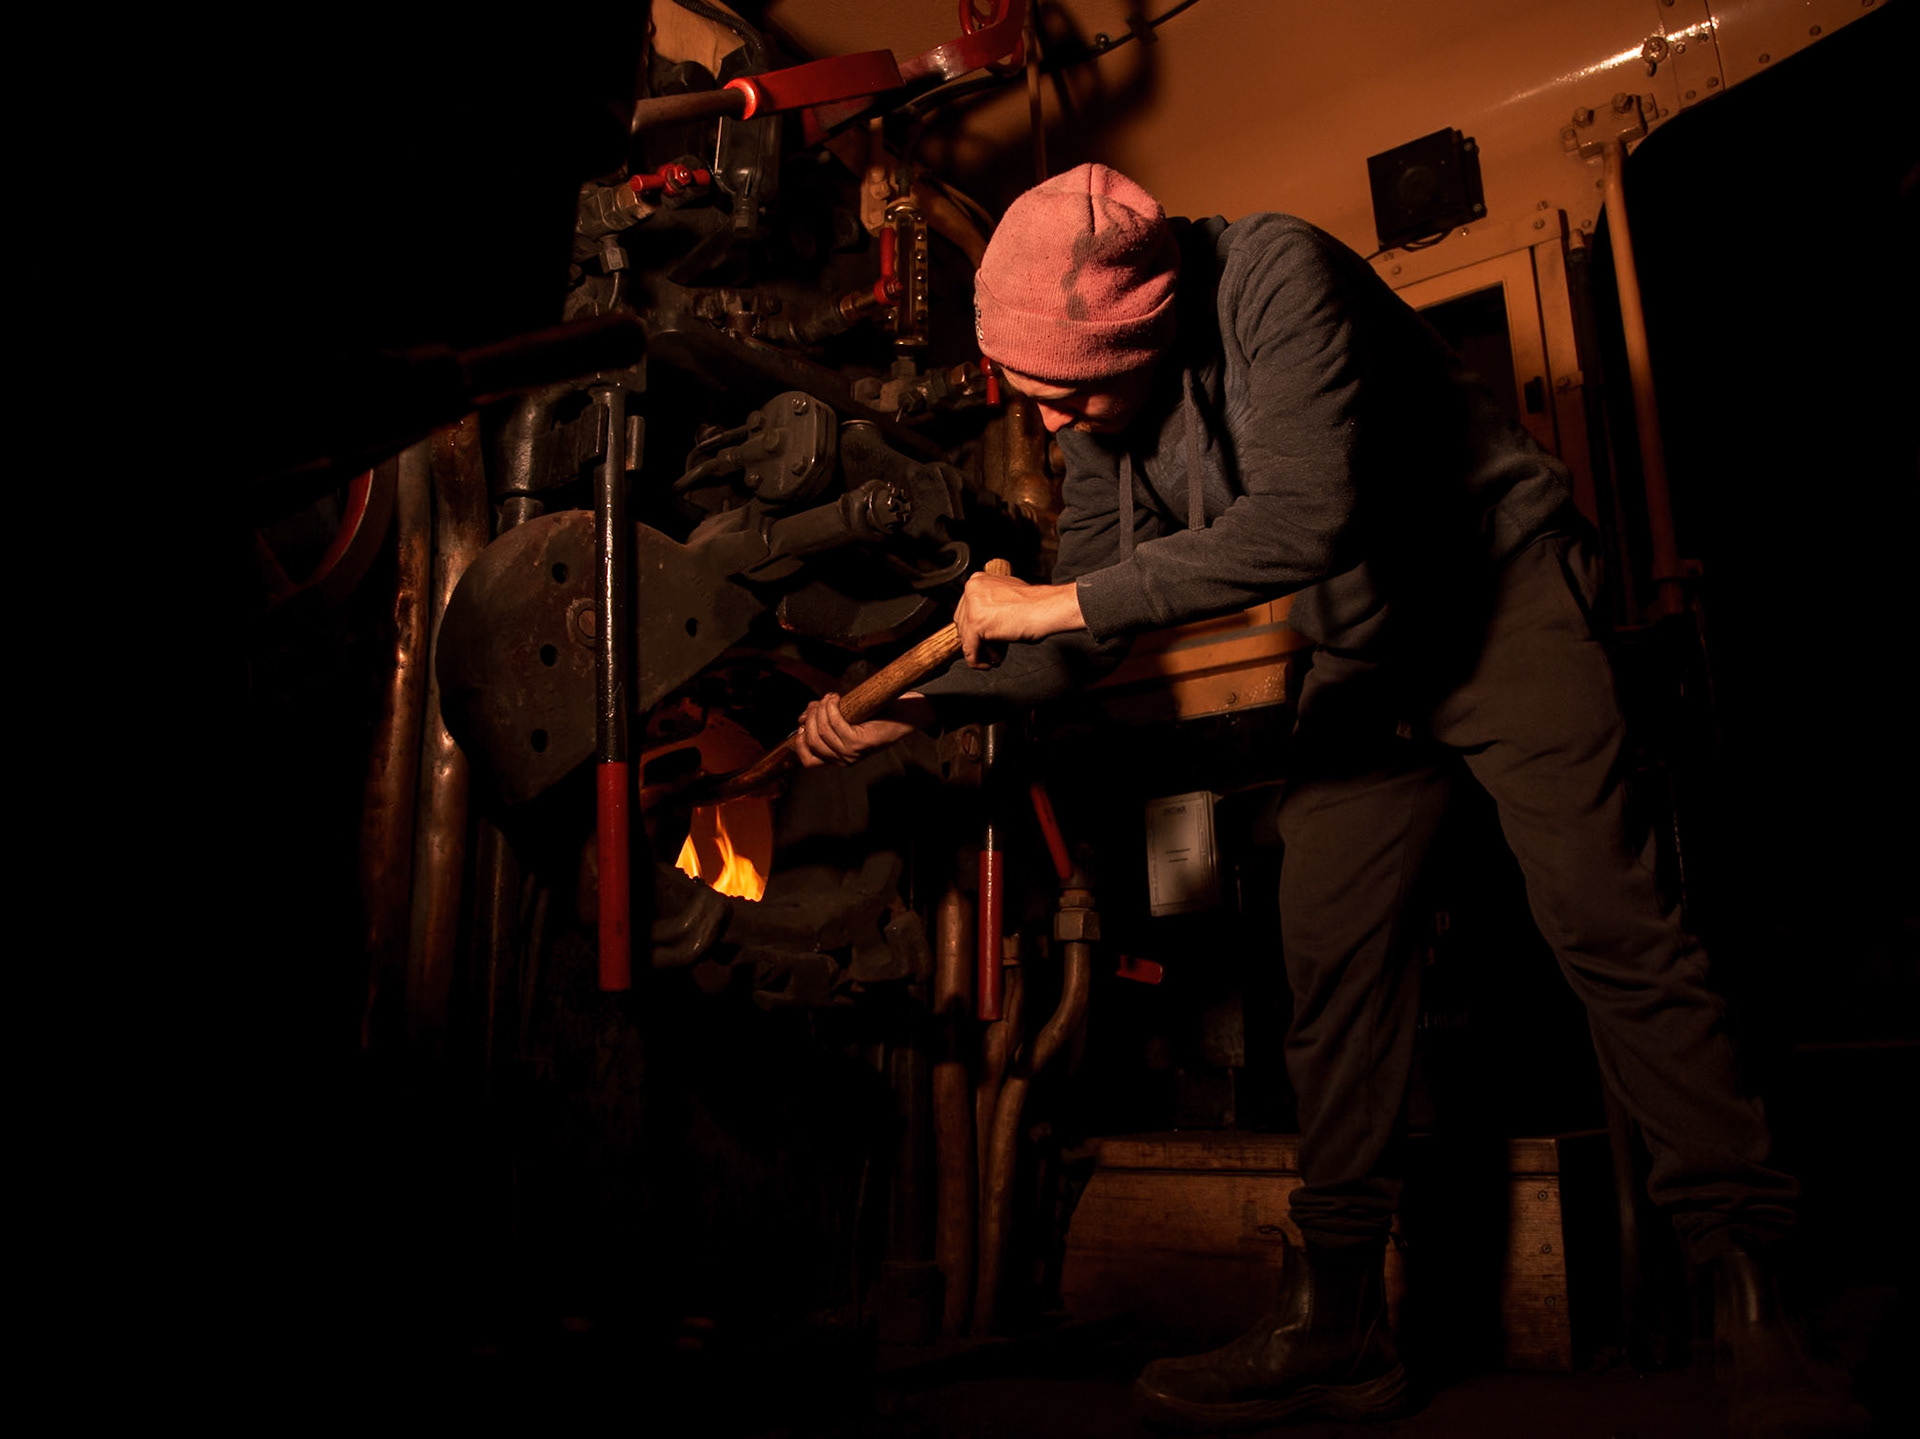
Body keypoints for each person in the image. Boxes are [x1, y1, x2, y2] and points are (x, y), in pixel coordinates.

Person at [795, 164, 1861, 1437]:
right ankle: (1341, 1315)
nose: (1059, 426)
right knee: (1333, 951)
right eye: (1033, 400)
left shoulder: (1279, 280)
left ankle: (1754, 1293)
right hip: (1365, 646)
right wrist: (909, 706)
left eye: (1071, 392)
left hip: (1500, 598)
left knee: (1613, 929)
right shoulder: (1099, 429)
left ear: (1147, 325)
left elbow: (1302, 518)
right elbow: (1077, 637)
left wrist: (1050, 602)